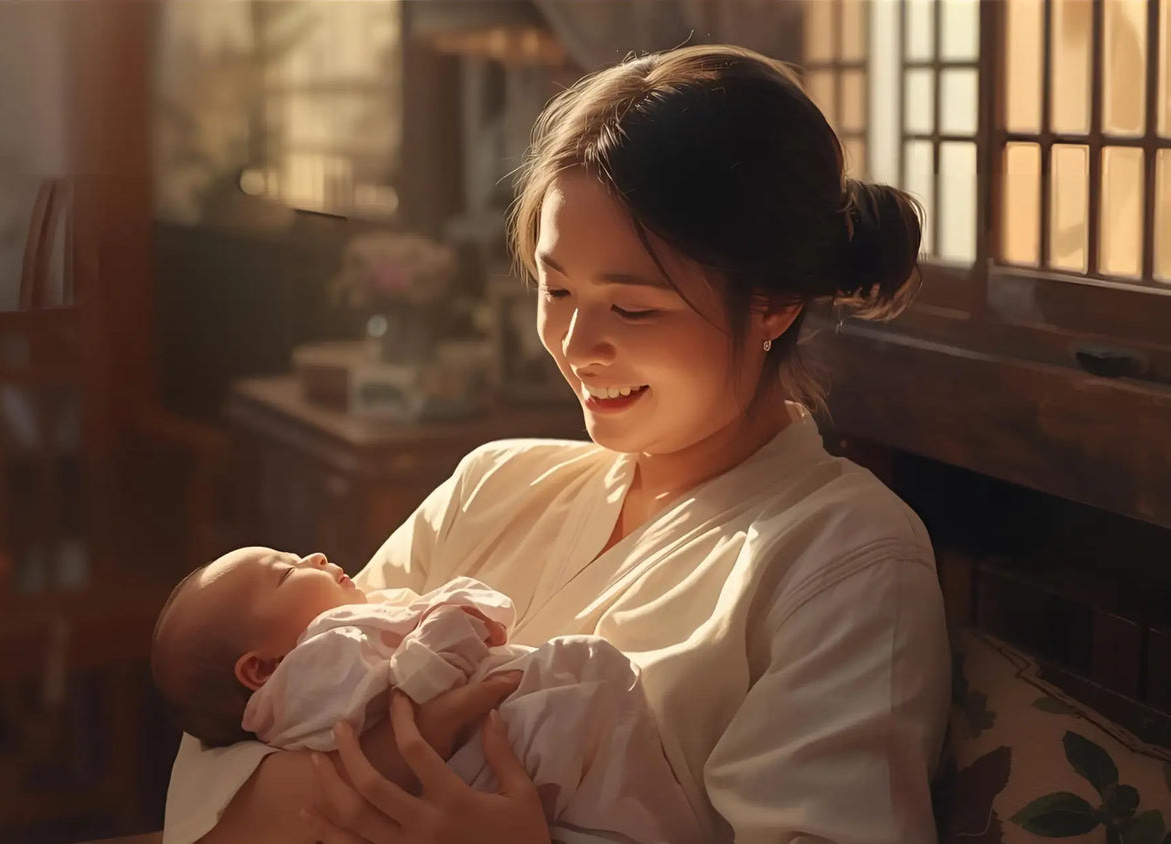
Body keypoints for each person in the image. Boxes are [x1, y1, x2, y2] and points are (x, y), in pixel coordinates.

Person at [163, 43, 950, 844]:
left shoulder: (846, 556)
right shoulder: (491, 484)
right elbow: (229, 747)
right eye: (557, 289)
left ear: (774, 303)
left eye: (634, 308)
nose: (576, 344)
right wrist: (391, 760)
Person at [152, 547, 698, 843]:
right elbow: (410, 686)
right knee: (584, 697)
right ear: (260, 668)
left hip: (476, 780)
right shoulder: (321, 657)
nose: (315, 556)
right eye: (287, 572)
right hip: (481, 762)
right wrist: (450, 620)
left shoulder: (302, 677)